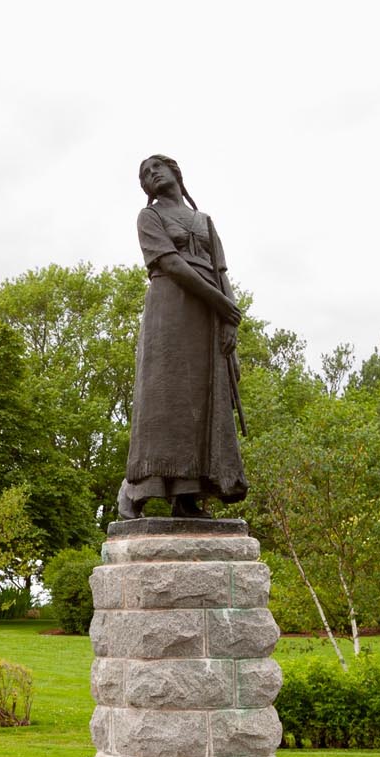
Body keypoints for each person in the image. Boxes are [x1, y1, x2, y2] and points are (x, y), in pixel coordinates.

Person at [118, 154, 248, 519]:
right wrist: (222, 305)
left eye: (156, 167)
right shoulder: (149, 217)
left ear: (175, 172)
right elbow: (171, 264)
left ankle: (188, 496)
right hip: (170, 312)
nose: (151, 174)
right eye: (144, 174)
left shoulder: (204, 221)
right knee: (165, 399)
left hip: (207, 315)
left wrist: (229, 321)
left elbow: (222, 274)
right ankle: (140, 489)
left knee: (201, 401)